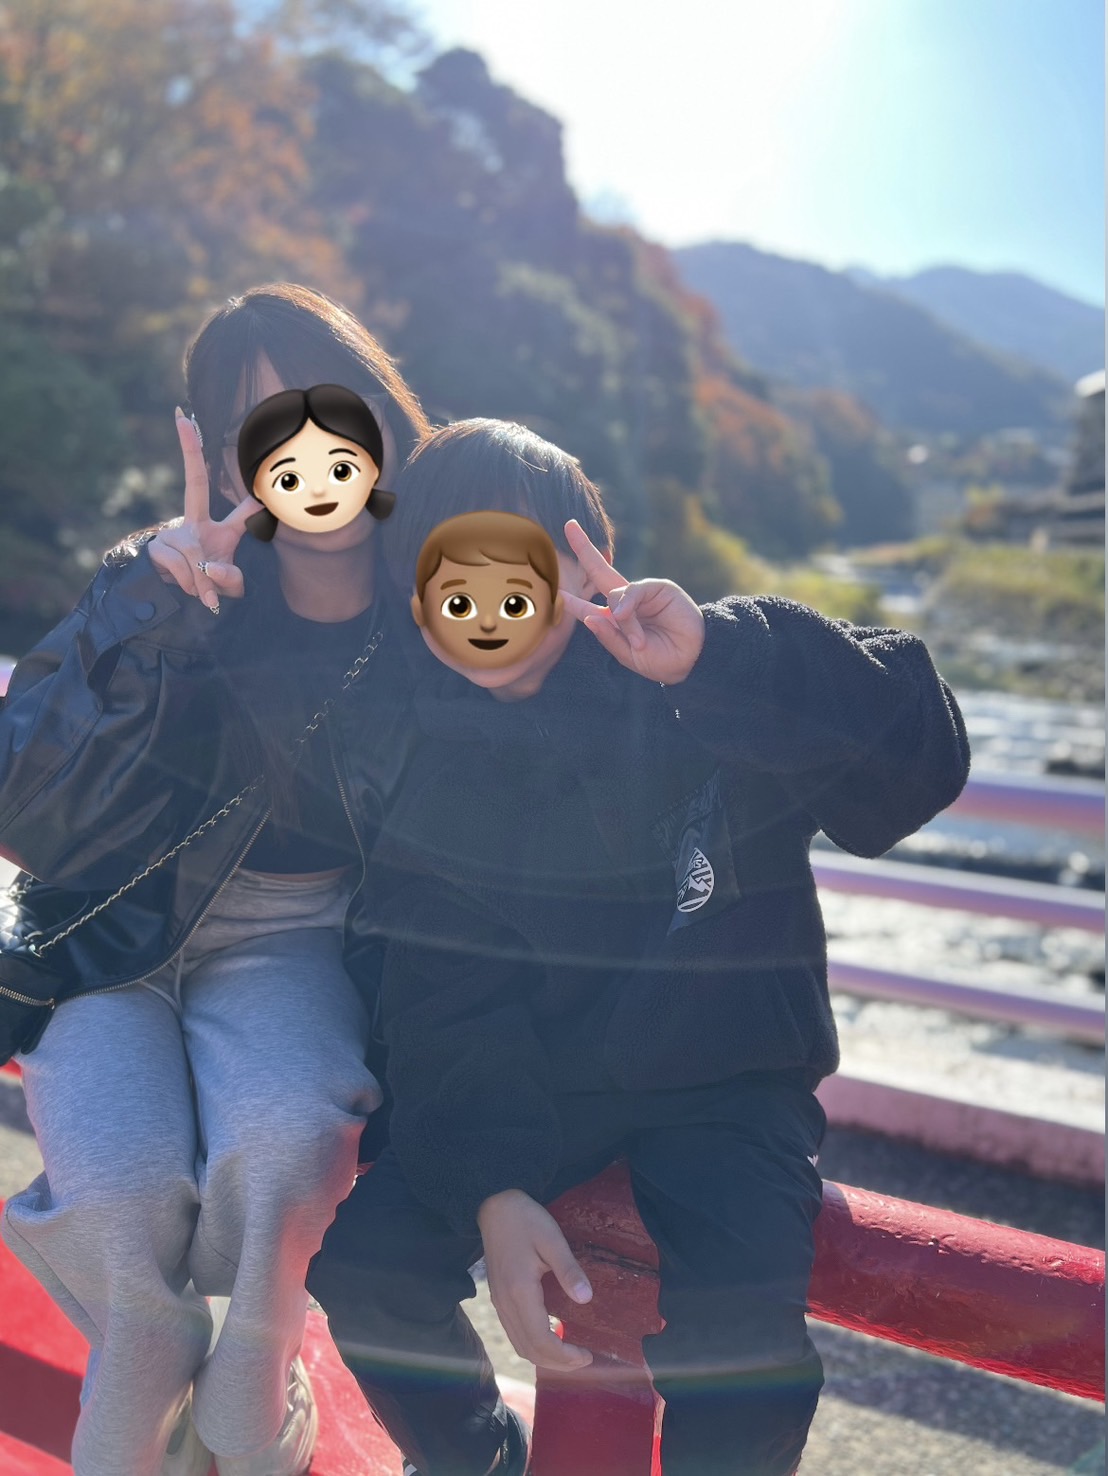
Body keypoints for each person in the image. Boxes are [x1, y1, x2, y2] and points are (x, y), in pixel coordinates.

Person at [306, 419, 972, 1476]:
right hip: (546, 1082)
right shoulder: (437, 766)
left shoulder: (698, 681)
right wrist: (491, 1183)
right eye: (446, 575)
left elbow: (919, 763)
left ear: (587, 564)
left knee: (744, 1349)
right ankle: (482, 1461)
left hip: (728, 1080)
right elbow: (443, 997)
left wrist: (723, 655)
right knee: (367, 1267)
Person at [0, 283, 431, 1476]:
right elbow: (25, 798)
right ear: (222, 455)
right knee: (122, 1206)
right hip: (110, 937)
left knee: (287, 1145)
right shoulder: (168, 576)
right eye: (261, 426)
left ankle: (258, 1372)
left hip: (290, 938)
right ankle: (158, 1353)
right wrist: (152, 613)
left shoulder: (438, 607)